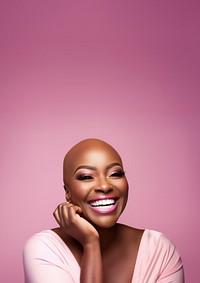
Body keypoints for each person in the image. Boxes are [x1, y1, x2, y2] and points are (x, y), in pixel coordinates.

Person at [23, 138, 184, 283]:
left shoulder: (160, 250)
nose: (105, 186)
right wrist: (91, 244)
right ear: (68, 192)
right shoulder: (44, 248)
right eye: (86, 177)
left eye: (115, 174)